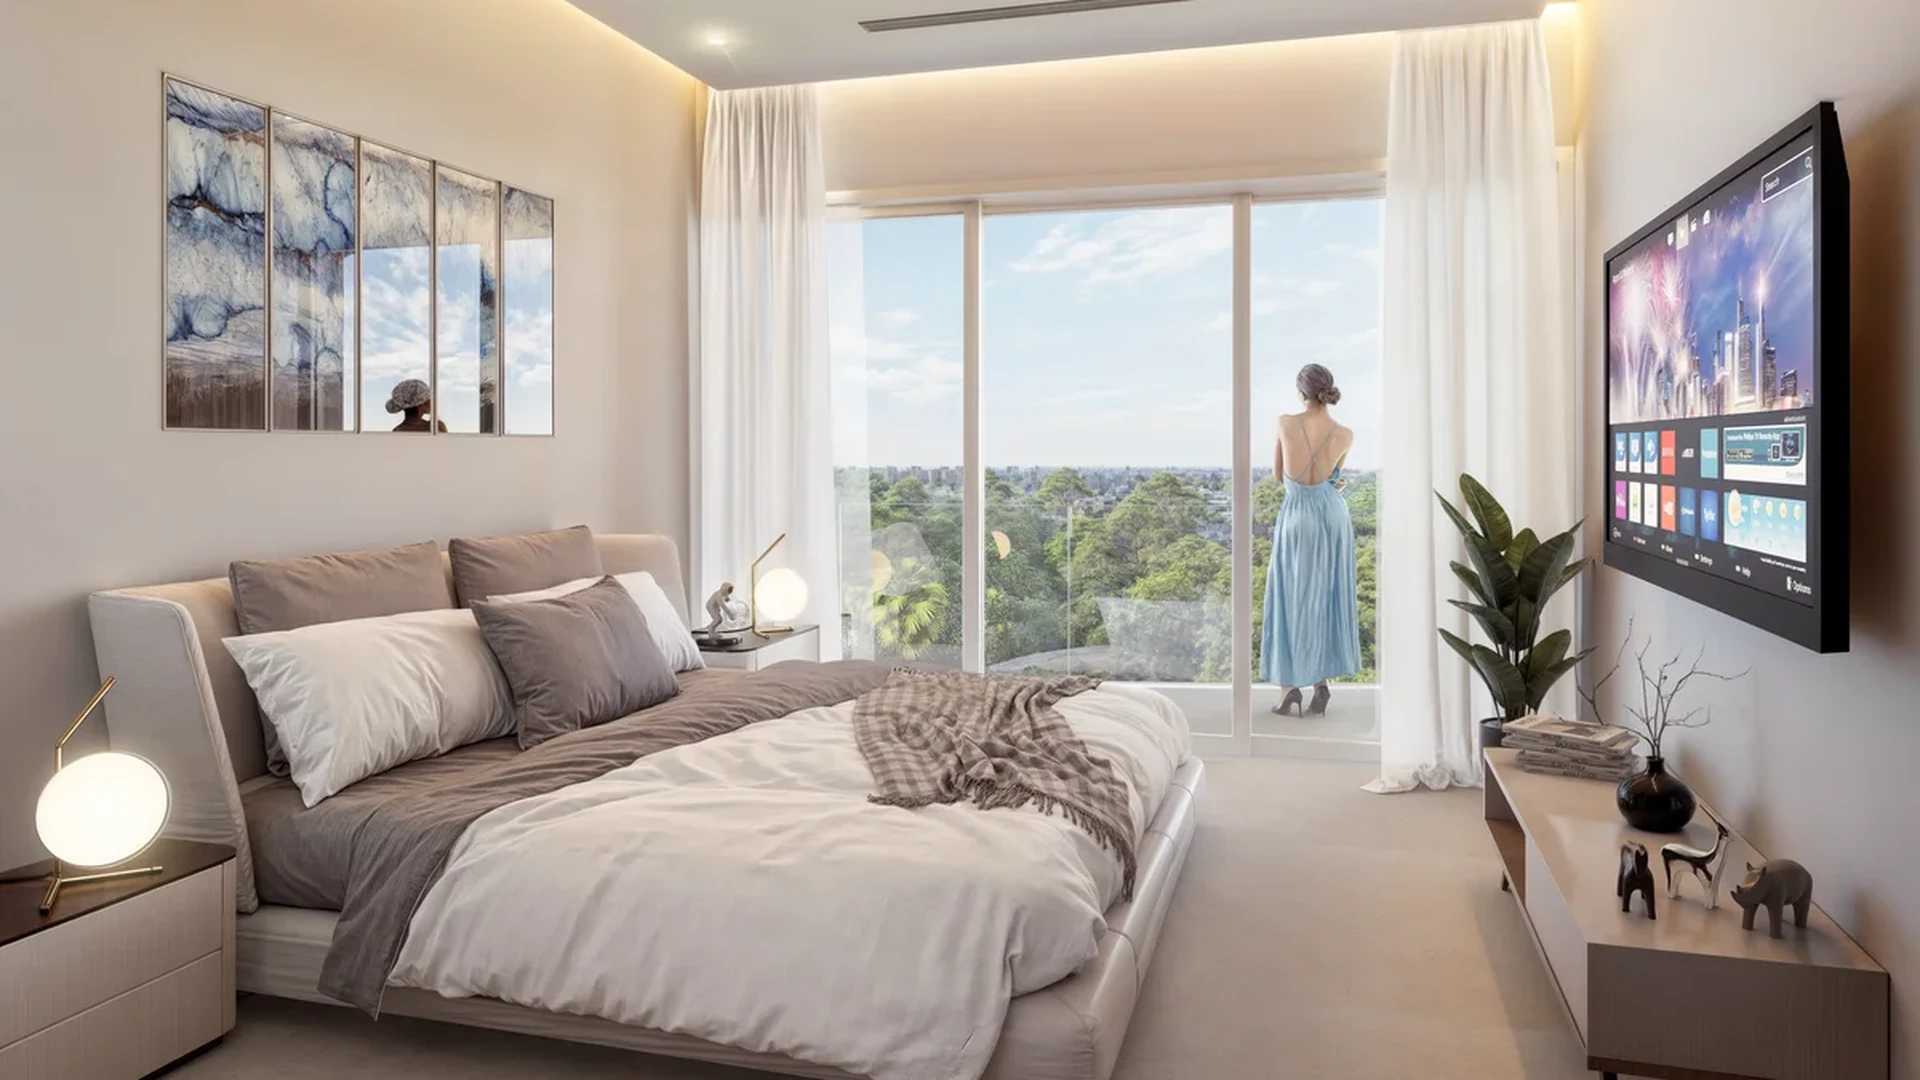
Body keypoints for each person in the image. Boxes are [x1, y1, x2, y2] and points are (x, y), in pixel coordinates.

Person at [1261, 363, 1362, 716]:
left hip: (1298, 514)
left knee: (1291, 596)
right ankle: (1321, 683)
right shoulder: (1345, 433)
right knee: (1326, 593)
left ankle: (1289, 689)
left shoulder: (1286, 423)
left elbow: (1278, 475)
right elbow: (1332, 478)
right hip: (1333, 515)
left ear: (1300, 392)